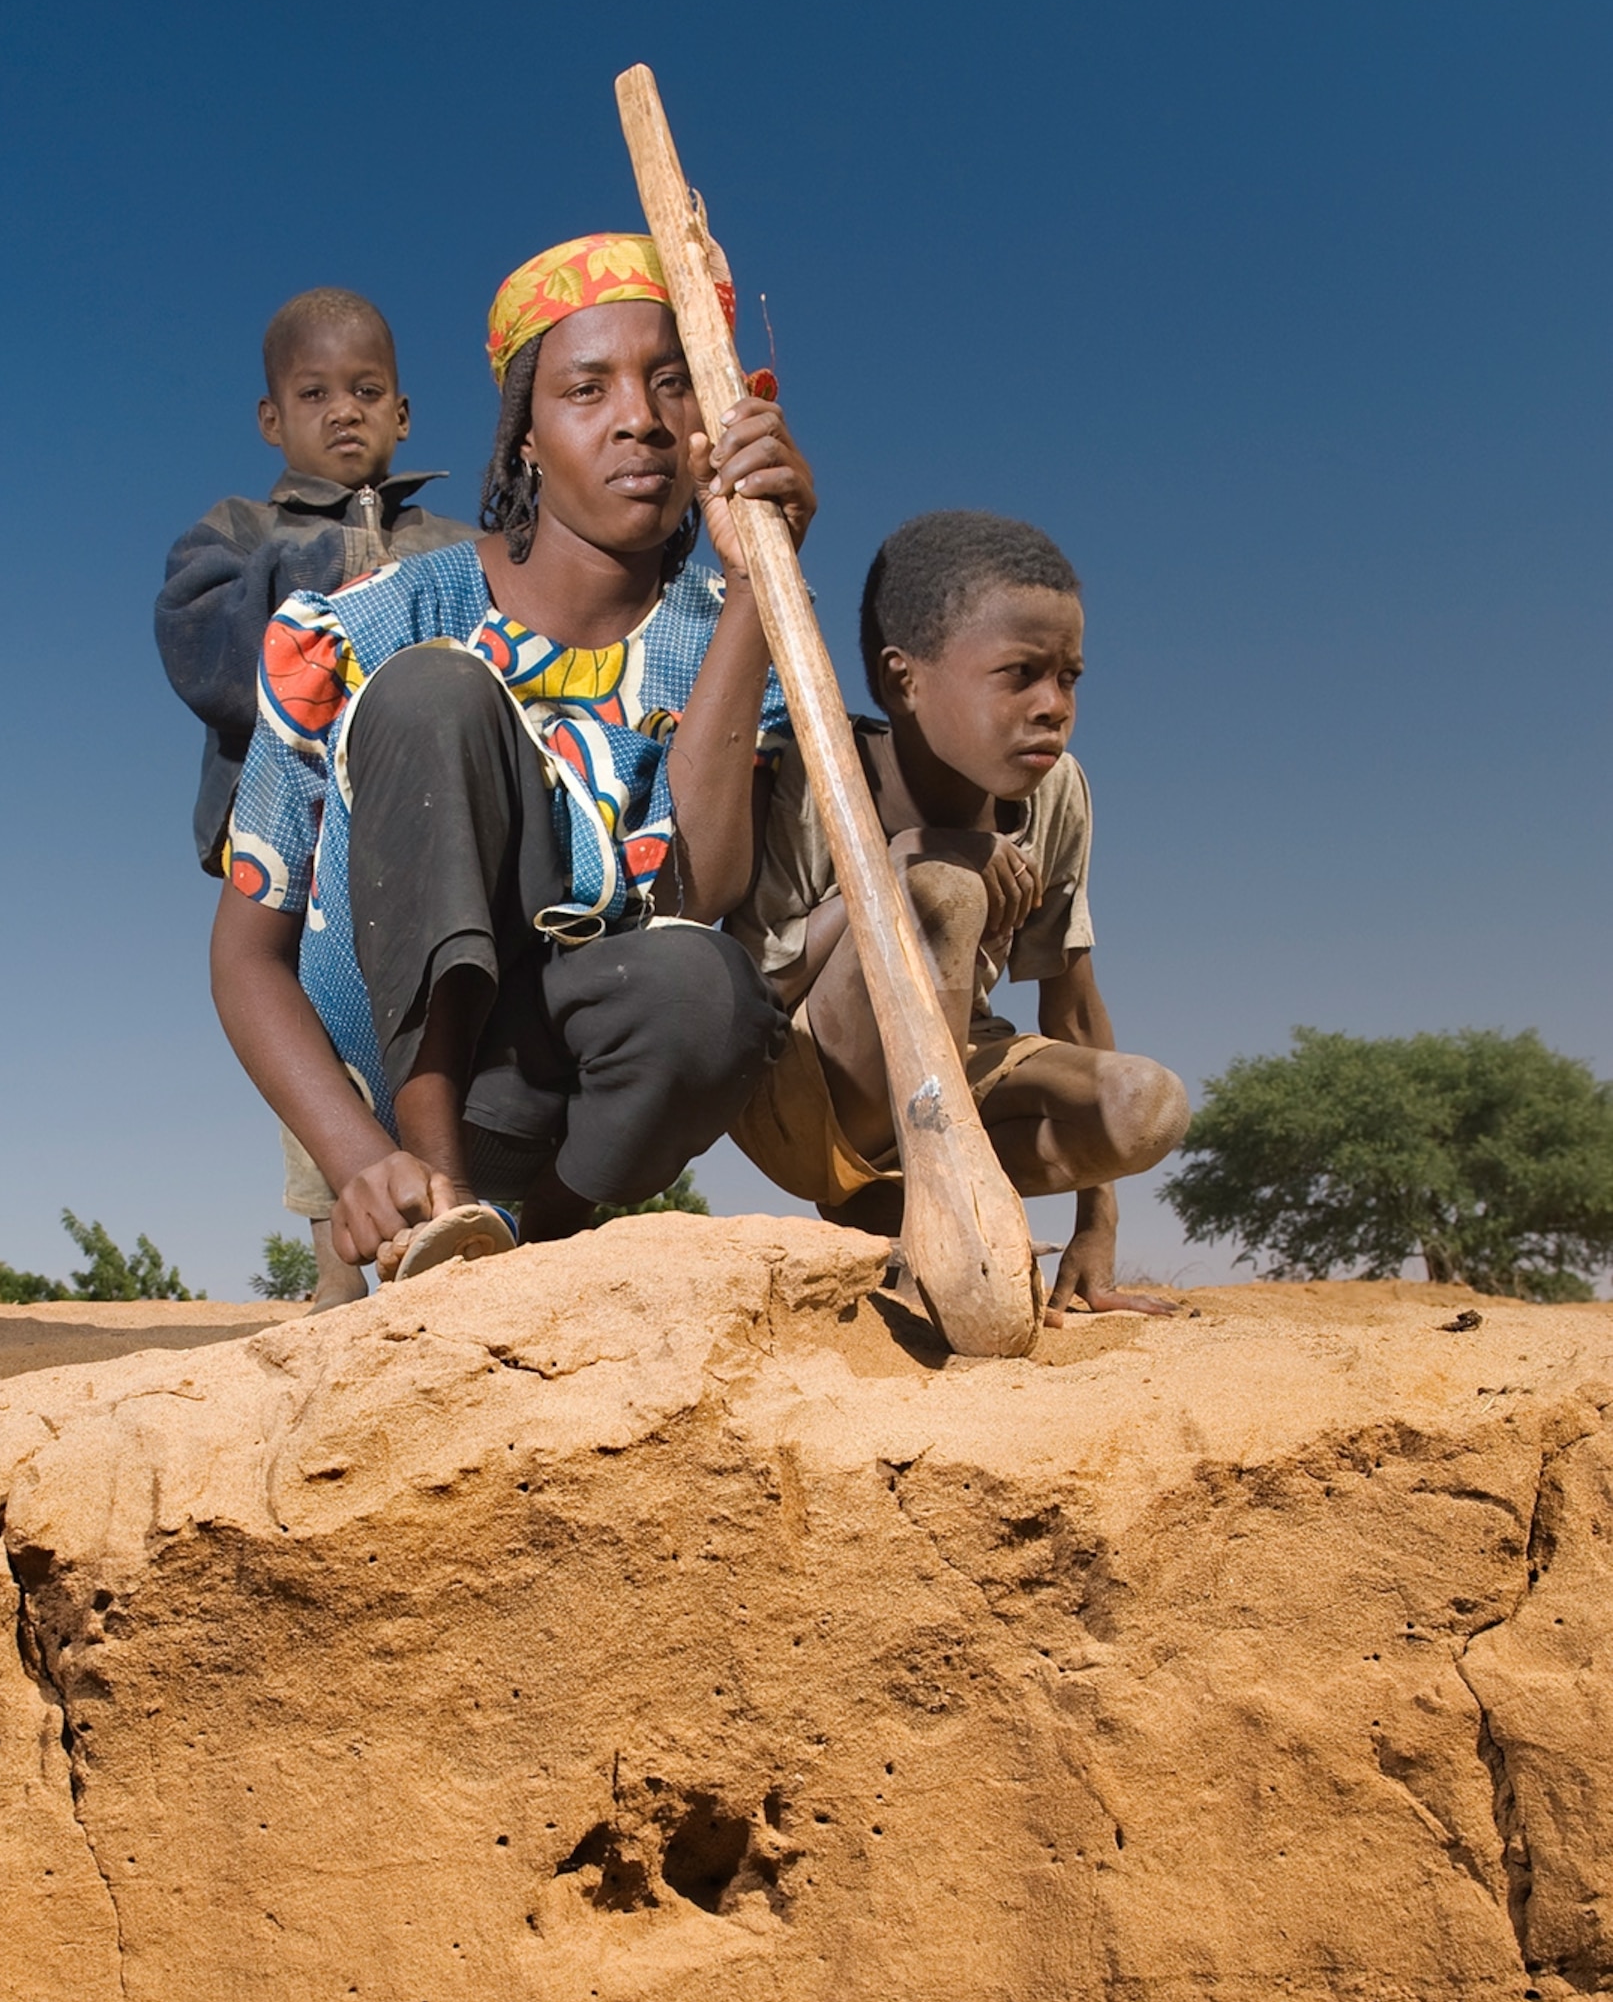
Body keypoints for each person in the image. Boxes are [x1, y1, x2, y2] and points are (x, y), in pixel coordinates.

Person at [208, 233, 812, 1285]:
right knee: (436, 692)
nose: (639, 417)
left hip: (556, 1089)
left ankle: (543, 1229)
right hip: (398, 1098)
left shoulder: (727, 633)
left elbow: (701, 891)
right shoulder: (371, 623)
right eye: (586, 388)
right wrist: (357, 1161)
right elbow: (247, 953)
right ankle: (436, 1223)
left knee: (708, 990)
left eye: (670, 384)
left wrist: (762, 581)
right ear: (524, 438)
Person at [726, 509, 1189, 1318]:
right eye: (1018, 674)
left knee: (1146, 1107)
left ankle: (892, 1209)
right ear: (903, 679)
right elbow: (758, 989)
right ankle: (931, 1220)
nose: (1052, 705)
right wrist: (901, 858)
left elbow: (1070, 1003)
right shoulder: (818, 772)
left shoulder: (1057, 794)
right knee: (942, 889)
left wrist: (1096, 1227)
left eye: (1069, 677)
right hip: (803, 1090)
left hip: (956, 1070)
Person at [157, 286, 472, 1306]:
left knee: (436, 1030)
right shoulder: (236, 536)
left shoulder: (458, 545)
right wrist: (347, 570)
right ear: (272, 419)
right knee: (315, 1043)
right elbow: (204, 654)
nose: (344, 410)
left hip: (424, 843)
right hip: (295, 831)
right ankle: (340, 1285)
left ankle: (464, 1241)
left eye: (366, 390)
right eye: (315, 392)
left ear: (403, 413)